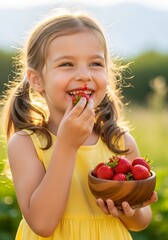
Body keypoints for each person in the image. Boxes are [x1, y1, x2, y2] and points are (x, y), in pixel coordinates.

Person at [2, 9, 157, 240]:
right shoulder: (25, 144)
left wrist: (130, 208)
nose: (84, 75)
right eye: (67, 64)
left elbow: (141, 221)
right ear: (36, 79)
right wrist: (67, 145)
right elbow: (42, 224)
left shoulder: (119, 143)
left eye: (95, 64)